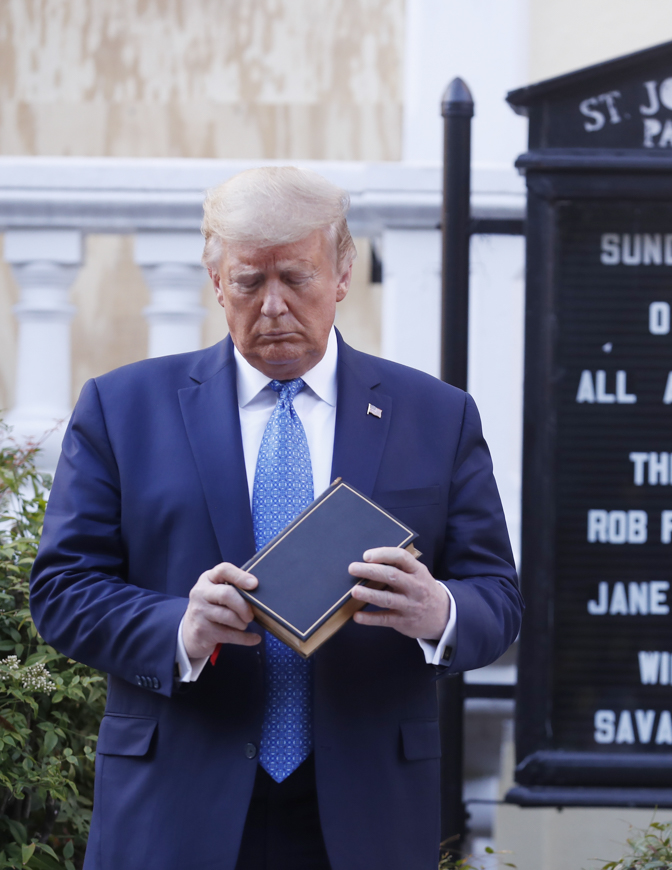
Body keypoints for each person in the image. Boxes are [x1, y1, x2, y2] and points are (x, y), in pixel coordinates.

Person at [29, 166, 523, 870]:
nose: (273, 306)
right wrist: (181, 628)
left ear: (344, 272)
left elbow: (498, 598)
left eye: (296, 278)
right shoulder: (122, 408)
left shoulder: (435, 418)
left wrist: (439, 610)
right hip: (176, 807)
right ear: (214, 278)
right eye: (249, 282)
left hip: (364, 812)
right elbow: (62, 591)